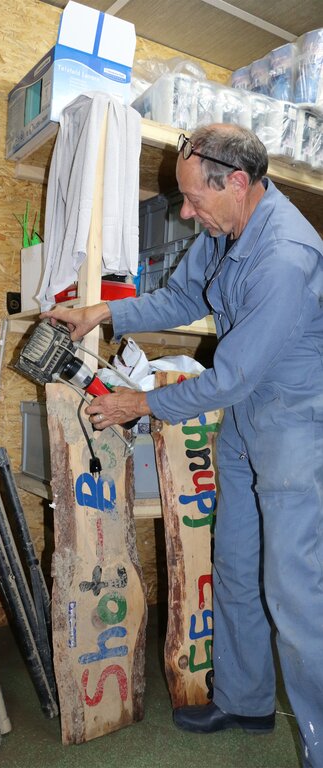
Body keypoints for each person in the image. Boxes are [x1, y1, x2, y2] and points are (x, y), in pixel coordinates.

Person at [41, 123, 323, 768]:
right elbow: (180, 295)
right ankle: (247, 700)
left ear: (240, 183)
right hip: (246, 420)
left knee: (297, 591)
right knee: (233, 567)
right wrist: (100, 314)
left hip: (297, 425)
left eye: (195, 199)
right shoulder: (224, 231)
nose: (187, 211)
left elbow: (233, 375)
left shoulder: (286, 256)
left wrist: (139, 404)